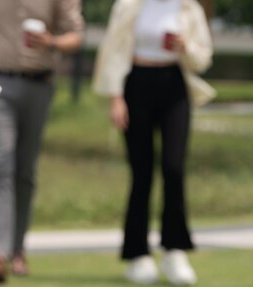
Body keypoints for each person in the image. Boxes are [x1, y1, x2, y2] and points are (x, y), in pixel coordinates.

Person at [93, 0, 214, 285]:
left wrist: (186, 47)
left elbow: (204, 58)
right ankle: (137, 255)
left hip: (174, 86)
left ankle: (175, 251)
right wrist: (116, 97)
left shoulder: (188, 8)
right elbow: (112, 50)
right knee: (142, 172)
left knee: (174, 168)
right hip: (136, 84)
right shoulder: (128, 5)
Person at [0, 0, 84, 282]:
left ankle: (18, 249)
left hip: (39, 85)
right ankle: (0, 256)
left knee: (25, 172)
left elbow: (76, 36)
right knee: (1, 166)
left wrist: (52, 41)